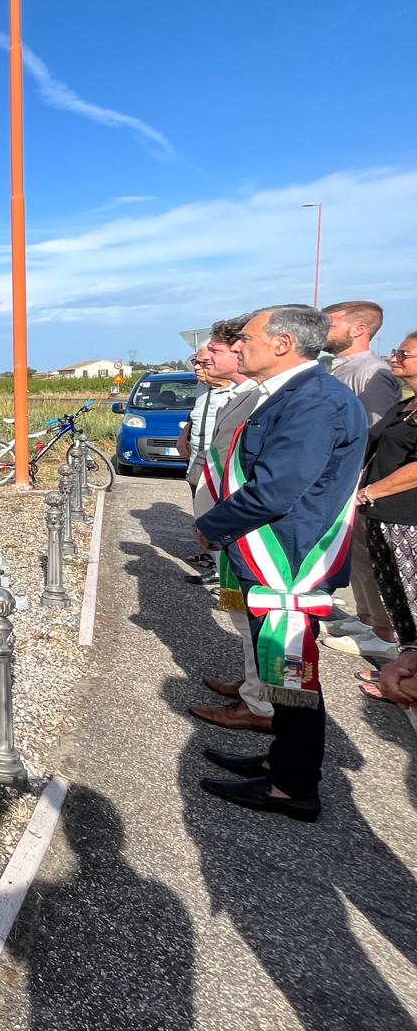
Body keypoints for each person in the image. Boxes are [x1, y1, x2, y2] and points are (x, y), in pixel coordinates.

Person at [194, 304, 367, 822]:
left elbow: (277, 489)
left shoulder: (315, 400)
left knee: (294, 674)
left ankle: (292, 787)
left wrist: (212, 526)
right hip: (275, 554)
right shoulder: (297, 393)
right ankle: (281, 761)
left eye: (246, 338)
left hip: (289, 556)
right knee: (284, 672)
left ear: (283, 343)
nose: (238, 345)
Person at [187, 318, 272, 732]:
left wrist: (219, 521)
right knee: (242, 614)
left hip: (262, 538)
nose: (205, 357)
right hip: (234, 530)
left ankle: (264, 707)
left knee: (268, 625)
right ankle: (254, 688)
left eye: (216, 350)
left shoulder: (273, 397)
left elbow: (272, 480)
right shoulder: (242, 393)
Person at [321, 299, 403, 651]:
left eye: (330, 324)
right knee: (354, 553)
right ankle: (366, 620)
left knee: (368, 554)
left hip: (359, 479)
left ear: (358, 329)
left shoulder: (371, 373)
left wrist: (364, 484)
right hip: (341, 477)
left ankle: (384, 632)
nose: (323, 331)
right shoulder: (338, 368)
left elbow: (380, 433)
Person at [357, 331, 417, 674]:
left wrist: (370, 492)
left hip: (407, 519)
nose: (393, 357)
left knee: (413, 596)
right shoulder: (405, 405)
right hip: (383, 516)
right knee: (397, 597)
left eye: (403, 354)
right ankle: (402, 671)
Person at [179, 325, 246, 584]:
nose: (198, 367)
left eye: (204, 361)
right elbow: (196, 420)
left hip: (220, 466)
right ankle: (216, 566)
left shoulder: (238, 393)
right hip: (199, 462)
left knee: (218, 517)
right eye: (196, 362)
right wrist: (184, 434)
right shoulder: (204, 392)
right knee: (202, 513)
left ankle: (226, 574)